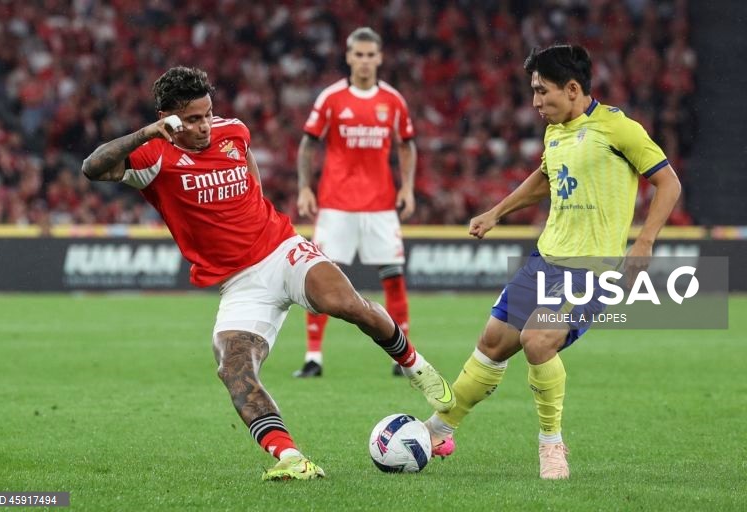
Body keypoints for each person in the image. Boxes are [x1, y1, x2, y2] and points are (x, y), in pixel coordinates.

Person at [81, 66, 455, 481]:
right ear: (166, 118)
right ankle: (291, 457)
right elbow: (92, 168)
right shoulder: (151, 156)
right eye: (192, 119)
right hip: (240, 283)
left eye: (207, 114)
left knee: (344, 303)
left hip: (281, 249)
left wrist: (257, 211)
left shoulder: (233, 131)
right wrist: (147, 134)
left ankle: (415, 367)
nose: (205, 125)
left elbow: (248, 167)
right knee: (233, 369)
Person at [423, 45, 681, 479]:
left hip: (592, 269)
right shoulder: (555, 132)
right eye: (534, 92)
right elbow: (545, 178)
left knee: (538, 339)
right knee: (493, 342)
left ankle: (551, 444)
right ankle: (440, 428)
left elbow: (668, 183)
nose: (536, 102)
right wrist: (496, 212)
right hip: (545, 260)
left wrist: (645, 240)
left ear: (573, 88)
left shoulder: (619, 128)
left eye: (542, 91)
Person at [293, 27, 416, 378]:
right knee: (320, 280)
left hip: (380, 205)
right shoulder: (331, 98)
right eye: (358, 55)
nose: (364, 61)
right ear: (348, 57)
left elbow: (407, 144)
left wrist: (407, 187)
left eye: (370, 55)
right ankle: (313, 357)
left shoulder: (392, 100)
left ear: (379, 58)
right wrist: (305, 188)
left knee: (393, 278)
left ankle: (402, 358)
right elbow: (308, 144)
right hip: (336, 205)